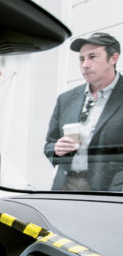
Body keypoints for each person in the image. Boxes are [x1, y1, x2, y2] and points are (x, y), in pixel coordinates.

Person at [43, 32, 123, 192]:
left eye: (92, 57)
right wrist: (56, 150)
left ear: (113, 58)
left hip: (109, 191)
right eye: (81, 59)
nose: (85, 65)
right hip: (64, 186)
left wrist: (116, 191)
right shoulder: (65, 99)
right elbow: (49, 144)